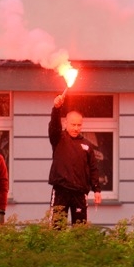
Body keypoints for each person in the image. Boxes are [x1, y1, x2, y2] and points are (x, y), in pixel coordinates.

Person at [48, 92, 102, 226]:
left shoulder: (87, 145)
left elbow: (93, 168)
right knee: (56, 228)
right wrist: (56, 109)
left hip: (79, 193)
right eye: (73, 124)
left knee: (80, 230)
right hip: (61, 190)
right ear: (66, 123)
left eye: (79, 125)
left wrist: (96, 190)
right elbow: (54, 126)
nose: (76, 128)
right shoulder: (58, 139)